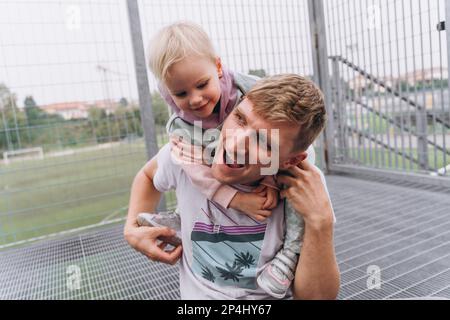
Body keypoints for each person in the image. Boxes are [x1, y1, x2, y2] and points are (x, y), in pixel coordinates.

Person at [140, 21, 317, 298]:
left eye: (202, 85)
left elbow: (277, 123)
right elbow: (156, 174)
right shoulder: (182, 132)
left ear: (219, 68)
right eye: (182, 94)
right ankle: (184, 218)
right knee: (194, 168)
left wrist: (273, 182)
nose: (196, 100)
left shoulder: (246, 90)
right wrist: (237, 200)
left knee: (300, 178)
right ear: (168, 92)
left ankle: (289, 254)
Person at [124, 74, 340, 300]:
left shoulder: (304, 191)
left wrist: (321, 223)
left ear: (290, 161)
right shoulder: (187, 156)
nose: (236, 144)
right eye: (239, 118)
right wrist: (131, 229)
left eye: (263, 141)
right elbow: (147, 176)